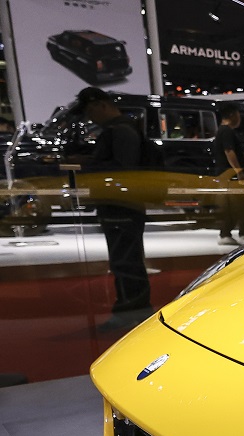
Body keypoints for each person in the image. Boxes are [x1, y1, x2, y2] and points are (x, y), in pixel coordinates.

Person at [70, 86, 152, 332]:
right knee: (126, 260)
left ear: (101, 105)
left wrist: (90, 167)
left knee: (125, 261)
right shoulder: (124, 129)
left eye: (90, 111)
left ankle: (130, 313)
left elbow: (122, 170)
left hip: (121, 206)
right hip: (121, 205)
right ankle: (134, 311)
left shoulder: (121, 131)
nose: (90, 117)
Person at [213, 102, 244, 246]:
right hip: (230, 175)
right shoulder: (227, 131)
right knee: (241, 203)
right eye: (238, 114)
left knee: (236, 204)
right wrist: (239, 171)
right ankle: (238, 233)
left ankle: (234, 233)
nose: (239, 118)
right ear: (231, 115)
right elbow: (229, 152)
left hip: (226, 174)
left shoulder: (222, 131)